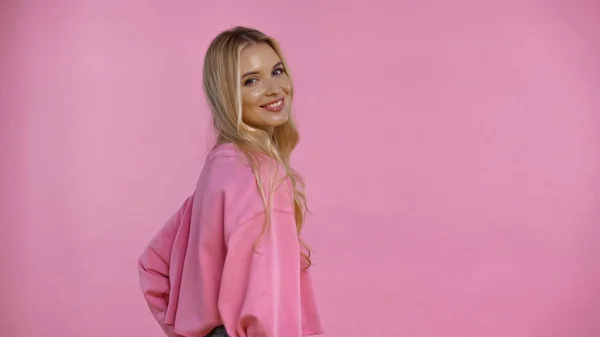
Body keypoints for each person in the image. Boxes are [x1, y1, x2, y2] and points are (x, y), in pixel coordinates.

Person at [137, 26, 324, 337]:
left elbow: (153, 265)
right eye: (251, 80)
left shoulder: (220, 167)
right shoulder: (263, 175)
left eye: (277, 71)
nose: (274, 88)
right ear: (227, 94)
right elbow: (264, 305)